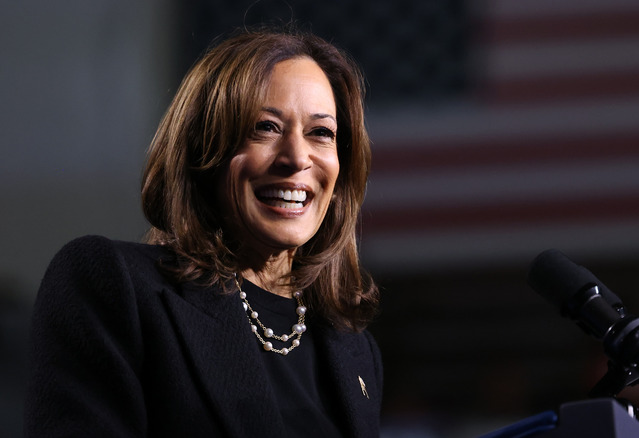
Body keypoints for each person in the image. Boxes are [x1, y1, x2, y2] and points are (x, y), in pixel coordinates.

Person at [25, 28, 382, 437]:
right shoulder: (113, 286)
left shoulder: (354, 350)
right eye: (264, 127)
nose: (297, 158)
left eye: (321, 133)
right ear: (202, 151)